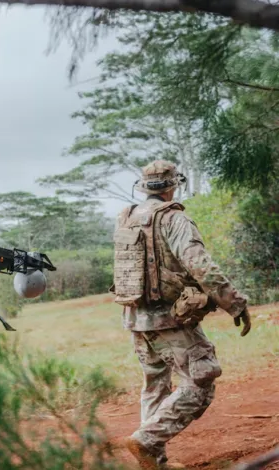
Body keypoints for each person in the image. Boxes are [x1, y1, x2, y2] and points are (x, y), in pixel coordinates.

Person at [111, 160, 251, 470]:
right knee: (201, 383)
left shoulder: (126, 217)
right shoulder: (174, 219)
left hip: (135, 320)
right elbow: (201, 266)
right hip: (170, 321)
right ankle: (147, 439)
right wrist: (235, 303)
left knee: (155, 386)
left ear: (144, 187)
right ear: (174, 185)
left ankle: (154, 461)